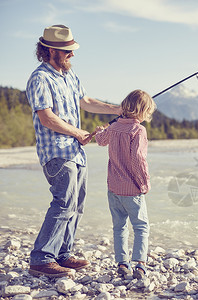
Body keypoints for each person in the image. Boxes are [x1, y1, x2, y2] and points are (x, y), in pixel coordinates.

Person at [26, 24, 122, 278]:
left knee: (77, 204)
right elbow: (46, 117)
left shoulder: (71, 76)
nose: (72, 54)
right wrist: (78, 133)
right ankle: (41, 258)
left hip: (76, 152)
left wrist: (117, 109)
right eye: (66, 50)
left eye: (71, 49)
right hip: (55, 151)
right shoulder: (39, 78)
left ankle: (62, 254)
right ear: (49, 50)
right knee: (63, 202)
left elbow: (87, 102)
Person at [94, 89, 156, 279]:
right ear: (143, 111)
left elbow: (101, 141)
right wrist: (144, 183)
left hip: (113, 188)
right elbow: (138, 159)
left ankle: (122, 263)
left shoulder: (113, 128)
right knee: (141, 226)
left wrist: (99, 132)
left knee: (119, 226)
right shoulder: (138, 130)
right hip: (132, 190)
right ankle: (140, 265)